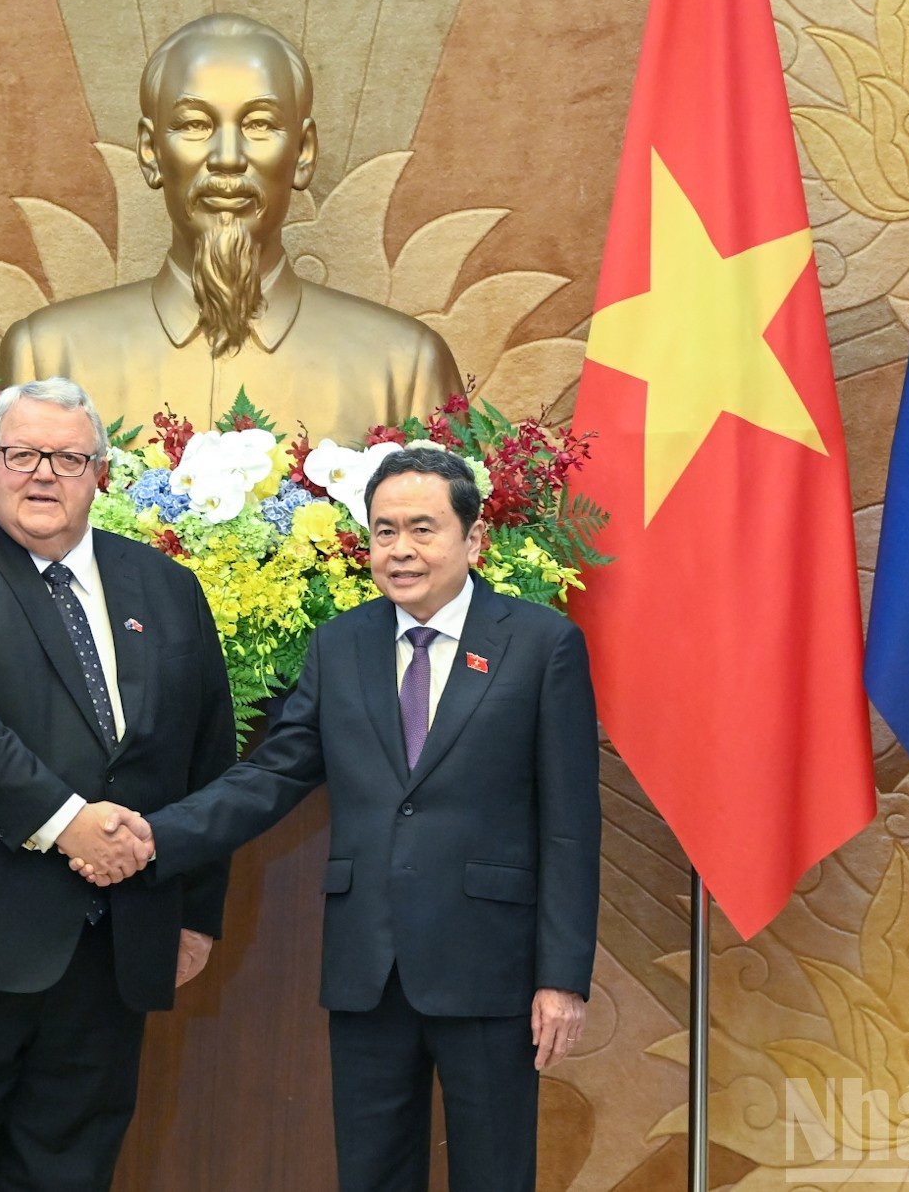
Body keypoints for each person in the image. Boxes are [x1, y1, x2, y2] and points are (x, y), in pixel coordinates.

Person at [79, 447, 601, 1192]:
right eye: (384, 531)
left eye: (422, 528)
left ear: (472, 539)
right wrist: (157, 836)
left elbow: (570, 826)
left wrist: (561, 978)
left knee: (495, 1172)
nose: (401, 549)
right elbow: (271, 775)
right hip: (368, 962)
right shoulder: (340, 644)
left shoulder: (542, 644)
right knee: (370, 1172)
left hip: (493, 965)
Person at [0, 376, 236, 1192]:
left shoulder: (167, 588)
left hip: (111, 944)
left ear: (102, 473)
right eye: (22, 454)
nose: (43, 474)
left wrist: (192, 912)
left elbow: (204, 757)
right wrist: (69, 823)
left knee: (71, 1170)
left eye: (67, 457)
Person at [0, 13, 463, 440]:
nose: (227, 158)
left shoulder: (407, 370)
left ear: (303, 153)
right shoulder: (46, 358)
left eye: (259, 124)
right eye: (195, 124)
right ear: (151, 151)